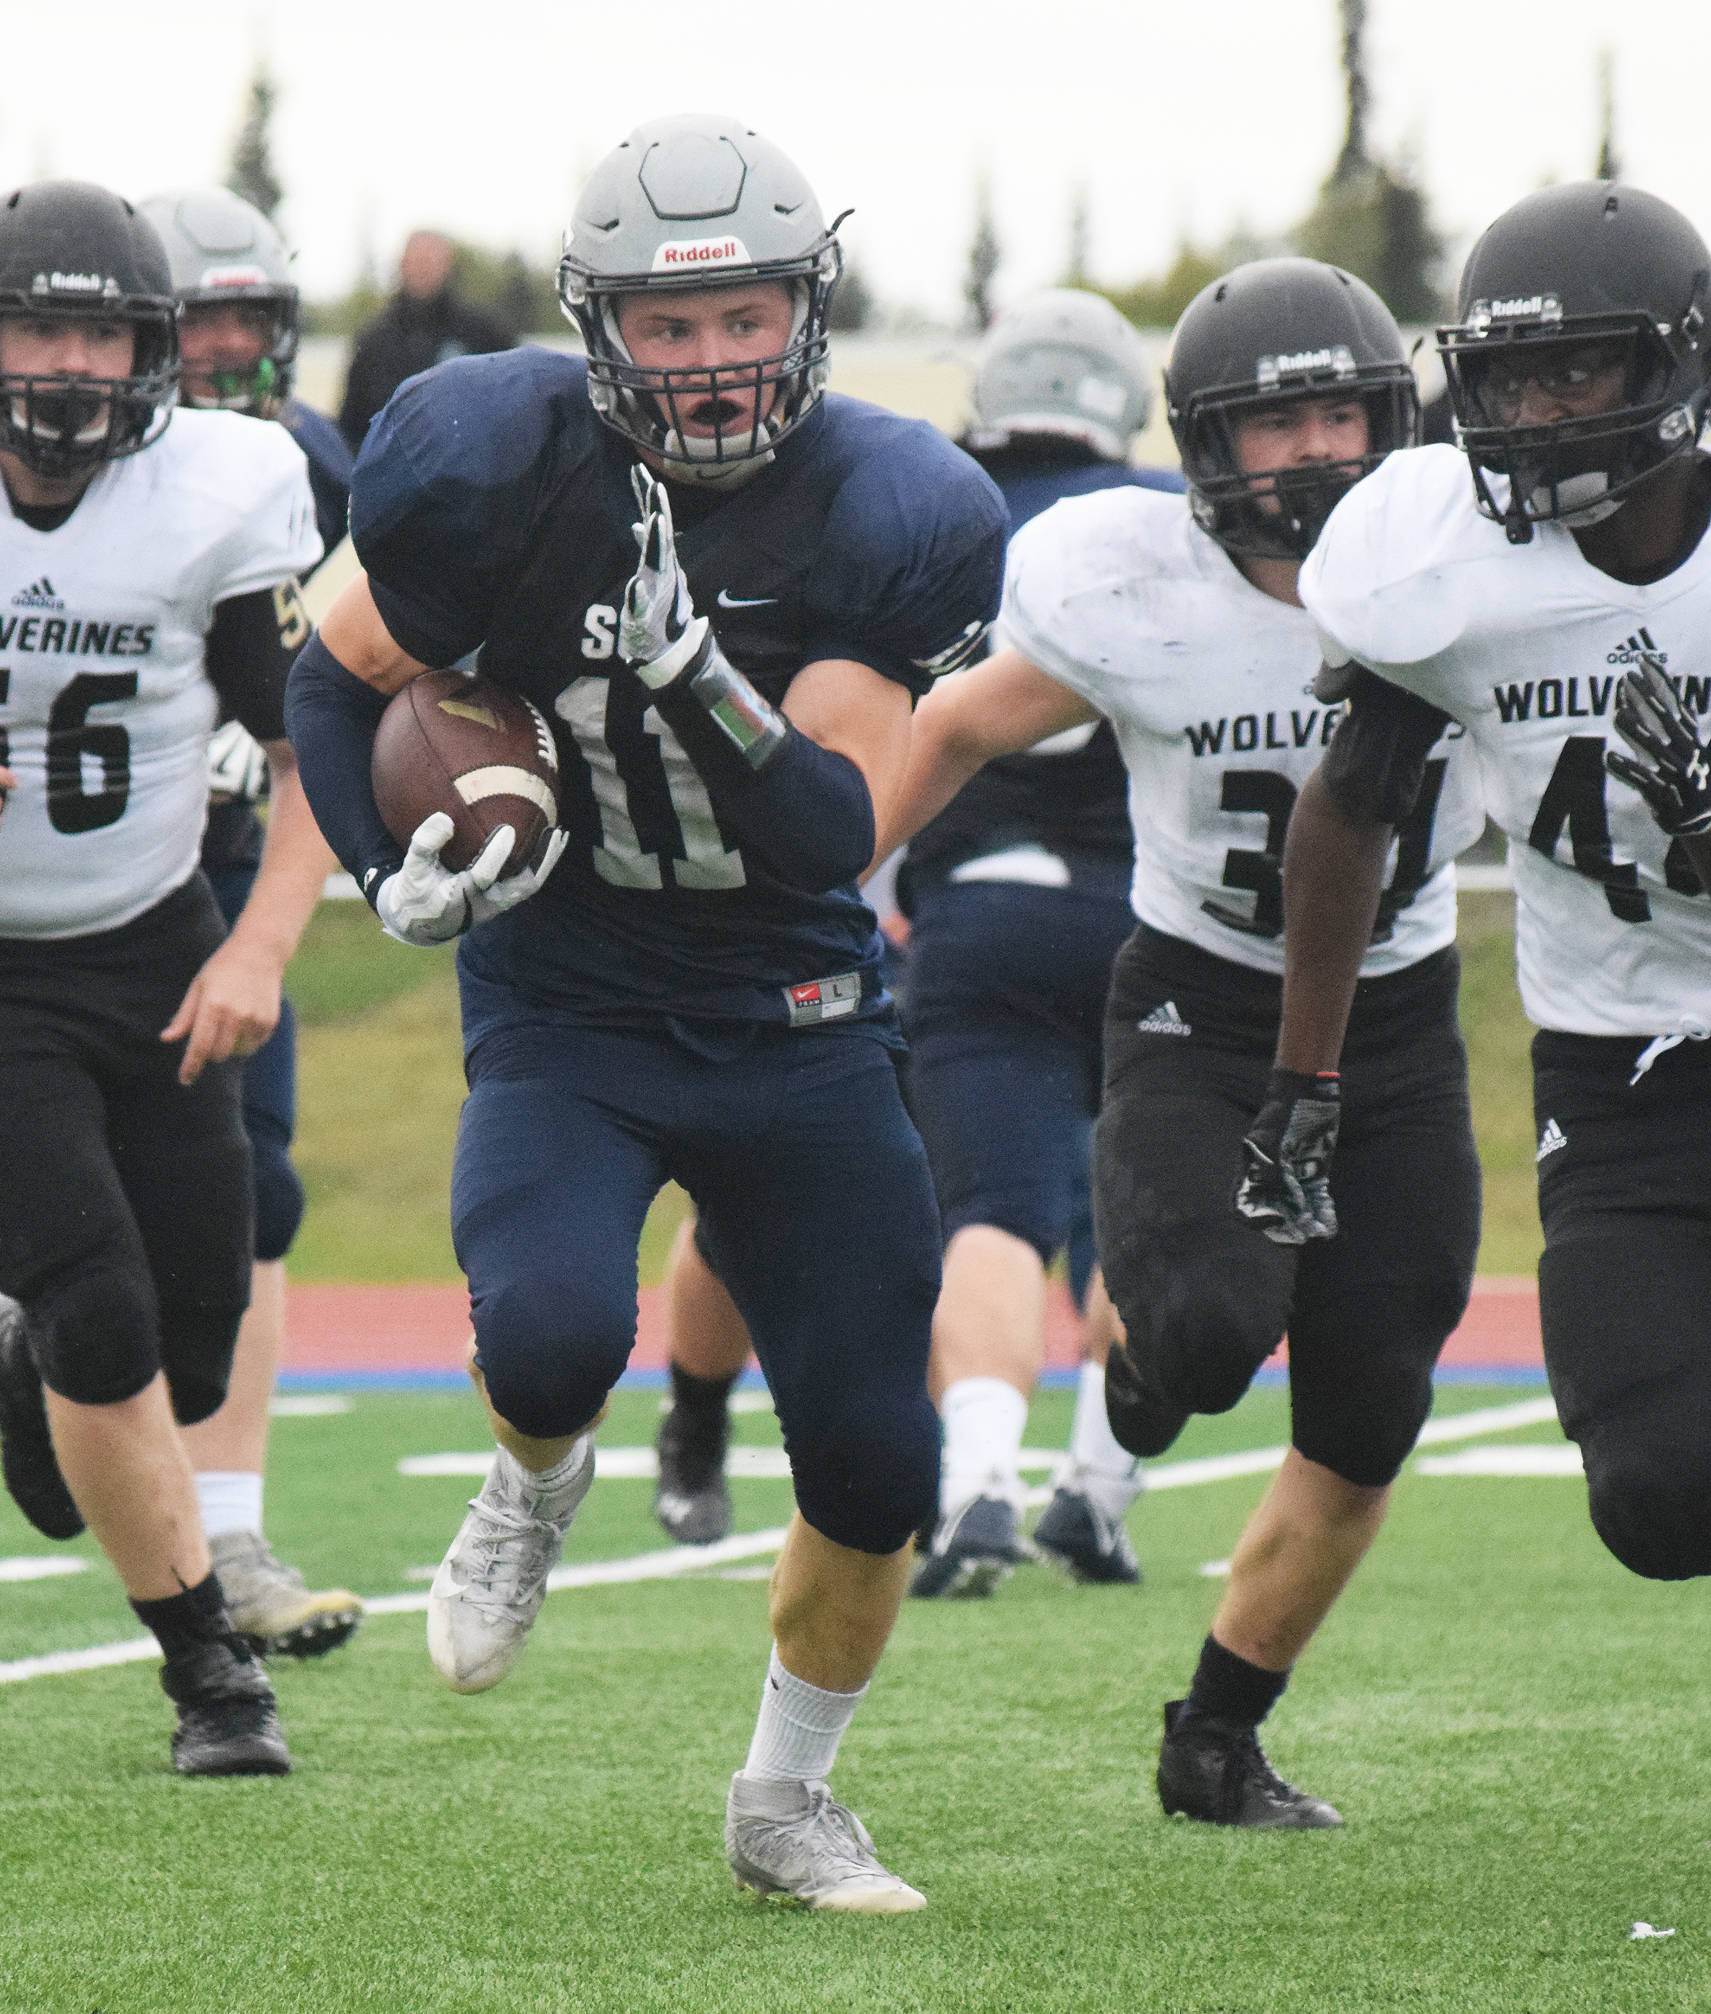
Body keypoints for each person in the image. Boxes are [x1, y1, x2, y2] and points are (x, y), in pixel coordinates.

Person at [285, 115, 1006, 1910]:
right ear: (599, 330)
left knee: (874, 1442)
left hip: (797, 1002)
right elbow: (326, 668)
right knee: (543, 1332)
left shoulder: (888, 502)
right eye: (667, 328)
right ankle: (529, 1488)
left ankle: (789, 1795)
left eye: (741, 316)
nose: (709, 360)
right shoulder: (501, 462)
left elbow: (835, 824)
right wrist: (387, 868)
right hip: (573, 997)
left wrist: (691, 662)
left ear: (806, 311)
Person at [1254, 180, 1711, 1738]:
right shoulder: (1435, 562)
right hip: (1622, 1094)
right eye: (1508, 376)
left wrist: (1696, 805)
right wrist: (1303, 1073)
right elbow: (1351, 815)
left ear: (1683, 364)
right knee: (1652, 1502)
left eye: (1574, 369)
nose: (1532, 410)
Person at [876, 259, 1486, 1821]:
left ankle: (1214, 1732)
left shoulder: (1472, 570)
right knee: (1208, 1335)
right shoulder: (1127, 578)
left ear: (1393, 415)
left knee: (1371, 1412)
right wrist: (839, 888)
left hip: (1396, 1022)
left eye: (1340, 413)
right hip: (1197, 1005)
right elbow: (950, 725)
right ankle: (1140, 1364)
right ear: (1208, 448)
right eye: (1273, 425)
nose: (1314, 453)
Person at [649, 291, 1182, 1592]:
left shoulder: (924, 503)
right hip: (1152, 921)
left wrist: (834, 874)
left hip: (955, 911)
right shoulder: (1178, 526)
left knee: (962, 1208)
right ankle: (1100, 1487)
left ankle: (946, 1469)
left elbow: (843, 731)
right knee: (1147, 1219)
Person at [0, 180, 329, 1775]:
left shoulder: (226, 484)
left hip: (153, 937)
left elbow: (310, 744)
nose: (66, 365)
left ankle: (39, 1362)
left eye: (99, 330)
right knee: (103, 1306)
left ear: (153, 348)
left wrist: (261, 939)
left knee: (192, 1337)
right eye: (34, 325)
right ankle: (210, 1677)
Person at [140, 185, 363, 1659]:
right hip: (60, 883)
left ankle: (228, 1528)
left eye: (248, 317)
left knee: (255, 1191)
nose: (227, 347)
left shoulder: (310, 468)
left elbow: (344, 659)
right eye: (197, 318)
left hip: (224, 870)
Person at [335, 229, 510, 452]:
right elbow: (350, 425)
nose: (422, 268)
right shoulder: (373, 342)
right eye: (416, 260)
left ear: (448, 264)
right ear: (402, 265)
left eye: (430, 260)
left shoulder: (484, 332)